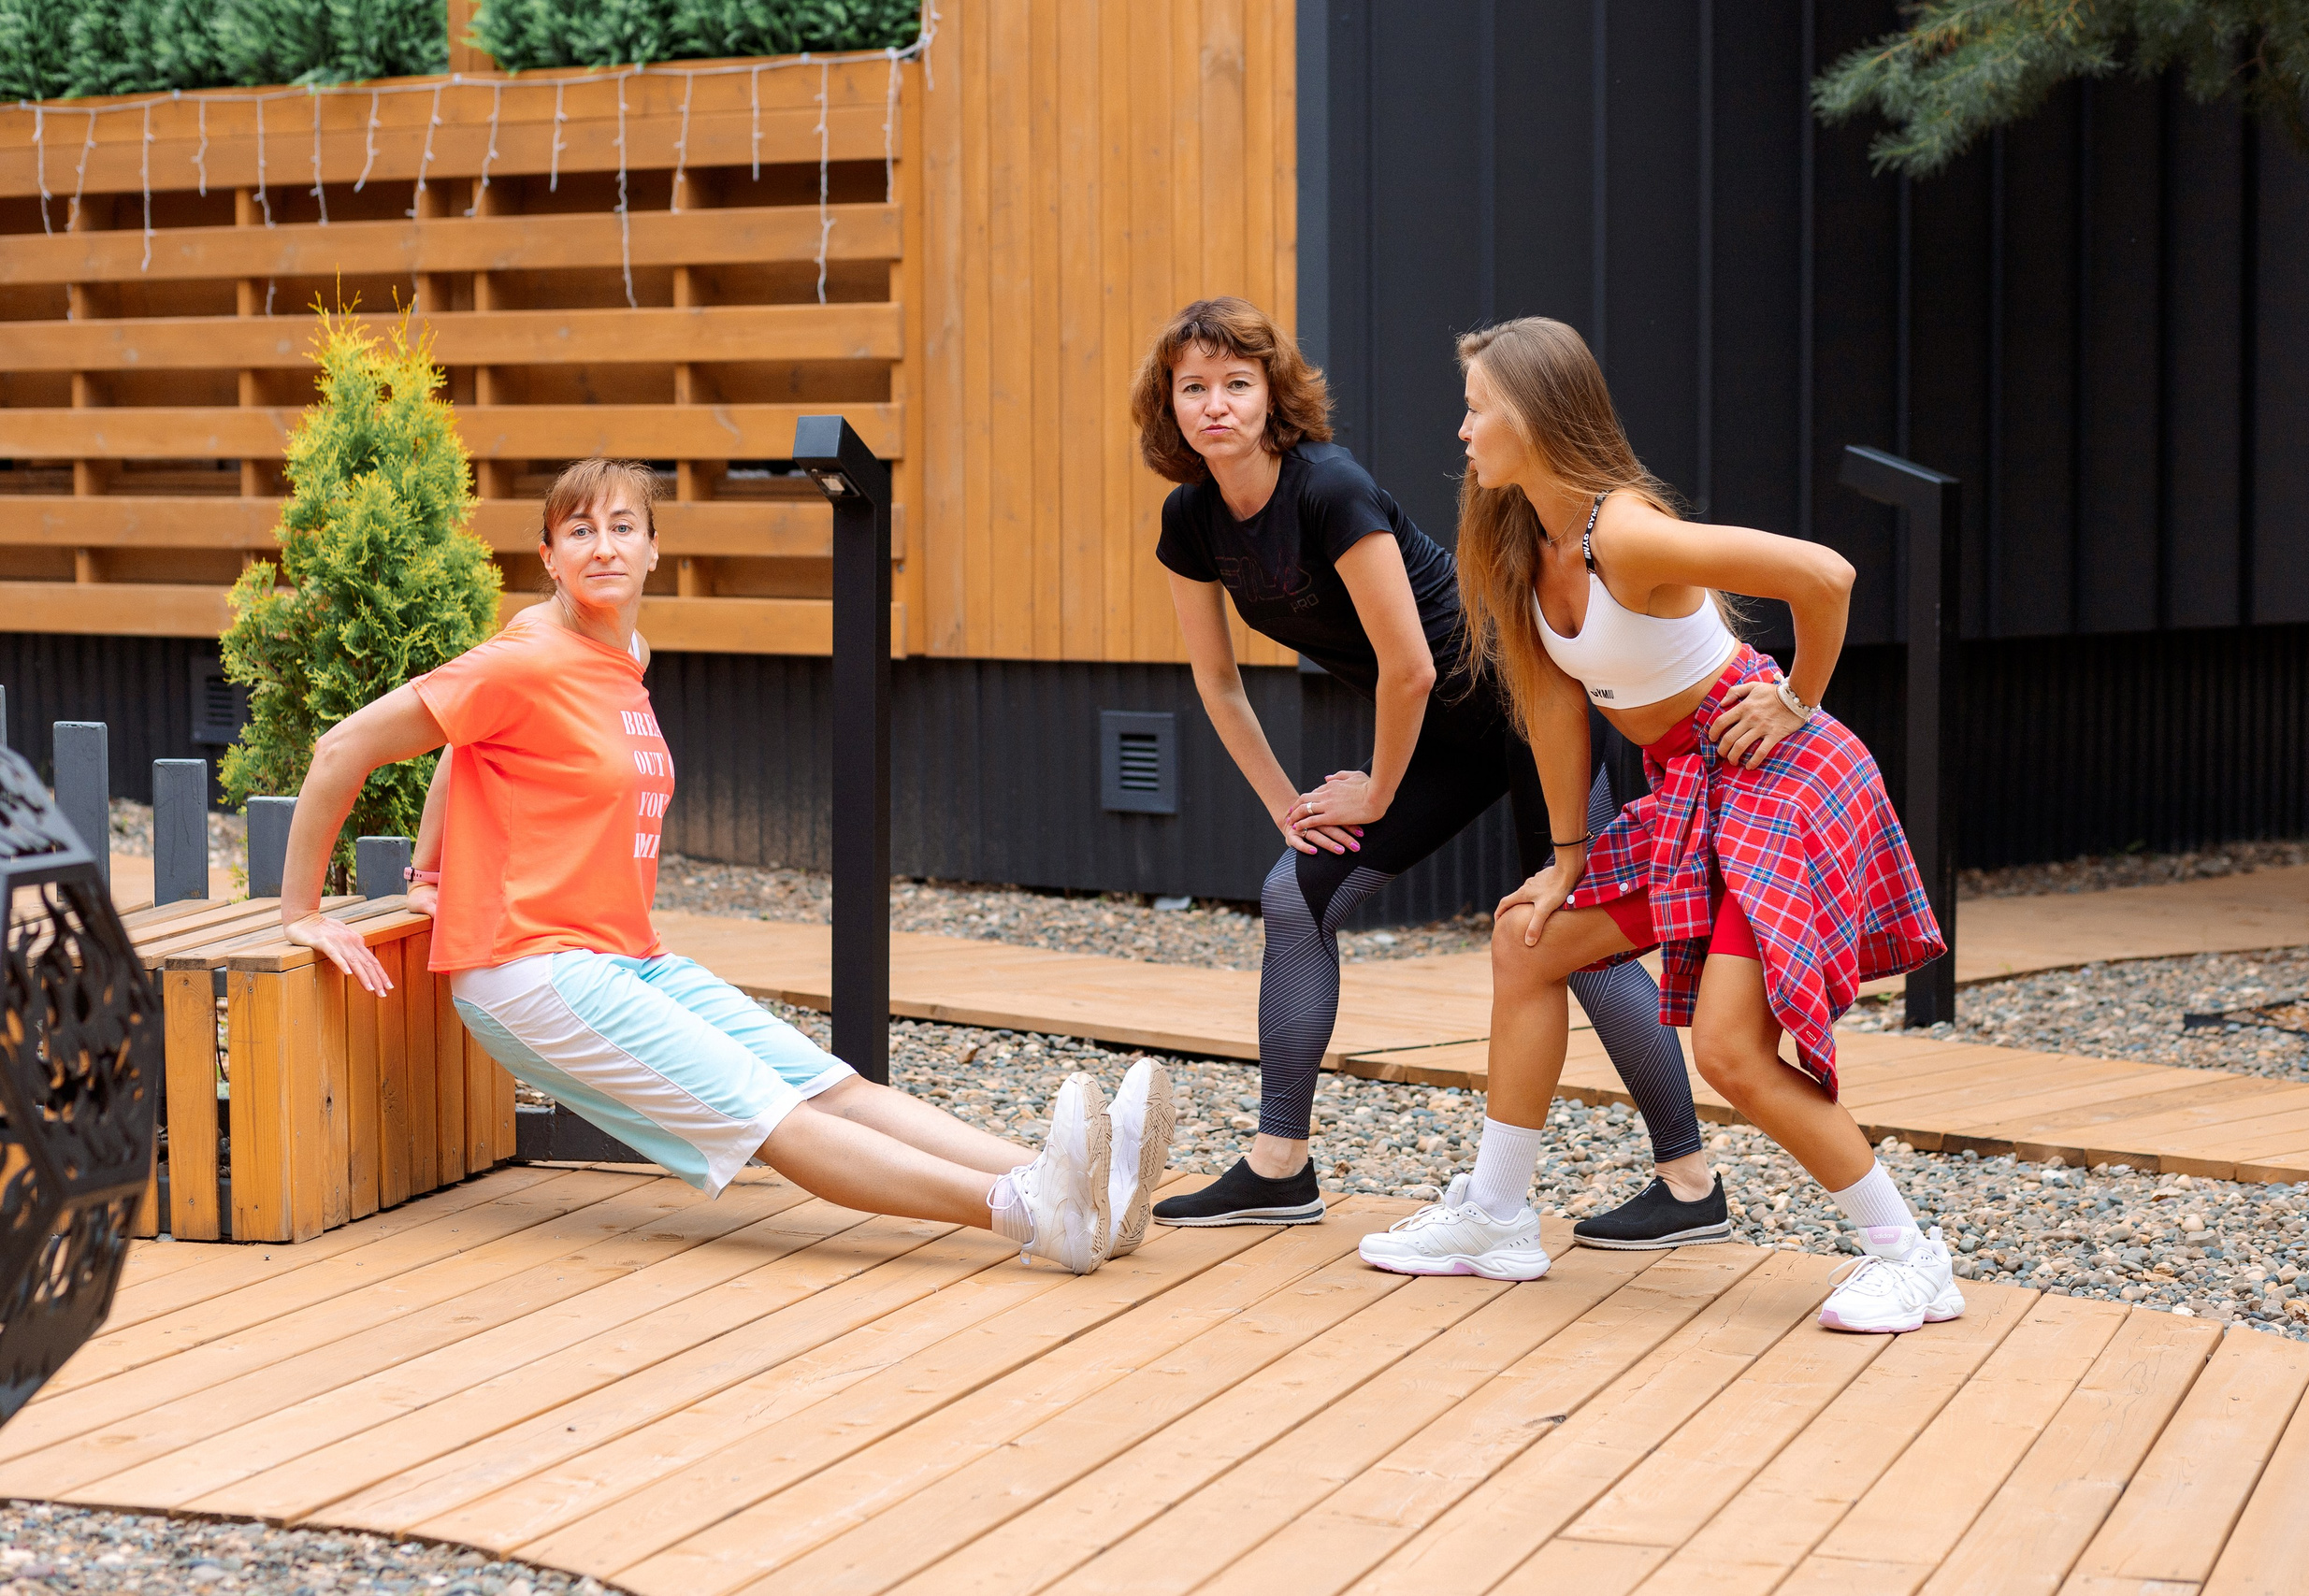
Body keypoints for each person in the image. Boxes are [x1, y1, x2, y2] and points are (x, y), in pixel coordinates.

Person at [274, 457, 1174, 1276]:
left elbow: (465, 748)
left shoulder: (625, 653)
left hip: (623, 954)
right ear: (549, 556)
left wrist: (432, 866)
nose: (602, 545)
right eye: (578, 530)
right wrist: (300, 910)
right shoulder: (526, 656)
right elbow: (341, 749)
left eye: (623, 525)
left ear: (654, 549)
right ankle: (1027, 1210)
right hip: (532, 967)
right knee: (776, 1118)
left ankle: (1083, 1181)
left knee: (834, 1086)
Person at [1355, 317, 1953, 1334]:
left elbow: (1827, 575)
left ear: (1535, 418)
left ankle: (1911, 1257)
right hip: (1690, 791)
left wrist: (1798, 699)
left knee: (1728, 1050)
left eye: (1476, 408)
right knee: (1528, 939)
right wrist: (1565, 860)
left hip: (1779, 775)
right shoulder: (1523, 541)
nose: (1461, 430)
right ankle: (1496, 1217)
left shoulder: (1624, 534)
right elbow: (1550, 703)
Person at [1133, 296, 1723, 1248]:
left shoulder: (1330, 489)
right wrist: (1286, 803)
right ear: (1168, 405)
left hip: (1526, 709)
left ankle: (1689, 1183)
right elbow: (1217, 682)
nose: (1216, 405)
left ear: (1271, 394)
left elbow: (1408, 665)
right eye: (1193, 388)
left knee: (1575, 937)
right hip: (1438, 737)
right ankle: (1280, 1168)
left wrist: (1372, 788)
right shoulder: (1191, 520)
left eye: (1236, 384)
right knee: (1296, 897)